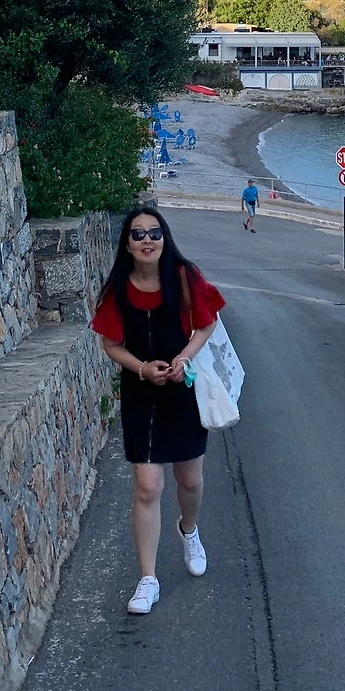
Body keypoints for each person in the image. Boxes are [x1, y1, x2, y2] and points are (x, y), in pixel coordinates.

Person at [91, 207, 226, 615]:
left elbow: (207, 323)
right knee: (148, 487)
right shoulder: (118, 289)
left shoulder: (184, 277)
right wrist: (142, 369)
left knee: (190, 480)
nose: (147, 240)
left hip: (182, 392)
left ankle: (189, 530)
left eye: (154, 233)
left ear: (165, 239)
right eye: (138, 234)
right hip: (141, 393)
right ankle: (148, 579)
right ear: (127, 244)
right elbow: (110, 344)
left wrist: (183, 358)